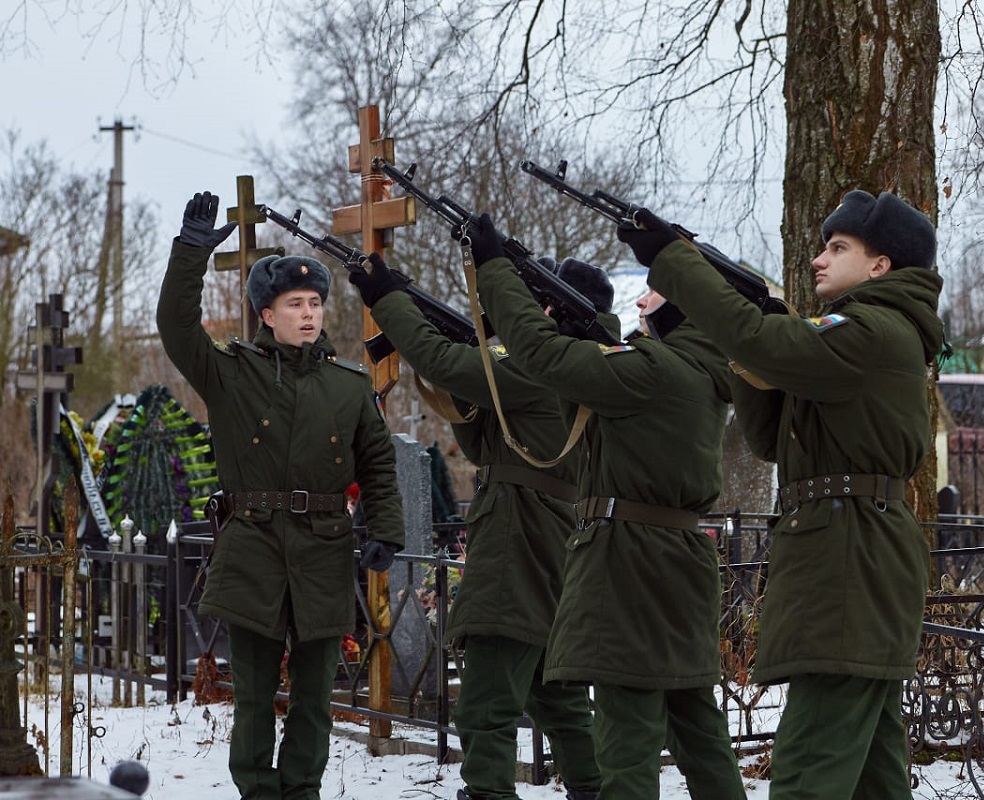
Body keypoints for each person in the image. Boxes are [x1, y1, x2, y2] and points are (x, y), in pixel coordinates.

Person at [617, 190, 944, 799]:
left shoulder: (872, 329)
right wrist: (747, 328)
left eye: (838, 247)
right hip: (849, 552)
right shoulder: (855, 335)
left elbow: (771, 346)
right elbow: (770, 434)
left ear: (881, 265)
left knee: (806, 771)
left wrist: (680, 266)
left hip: (852, 557)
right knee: (872, 774)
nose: (820, 259)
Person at [456, 214, 748, 800]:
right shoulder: (696, 371)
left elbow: (538, 354)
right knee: (696, 725)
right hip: (679, 562)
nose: (642, 301)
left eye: (659, 289)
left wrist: (493, 269)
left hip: (631, 564)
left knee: (627, 738)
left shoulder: (655, 370)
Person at [157, 191, 406, 800]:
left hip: (323, 550)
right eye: (294, 303)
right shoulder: (230, 372)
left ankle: (302, 791)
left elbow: (376, 459)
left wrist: (385, 528)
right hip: (255, 548)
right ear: (266, 314)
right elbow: (176, 327)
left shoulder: (348, 385)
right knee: (253, 694)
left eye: (315, 302)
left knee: (317, 697)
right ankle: (258, 792)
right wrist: (191, 253)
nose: (308, 314)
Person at [346, 251, 610, 800]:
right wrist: (475, 337)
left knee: (487, 697)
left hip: (518, 539)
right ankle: (595, 790)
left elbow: (446, 366)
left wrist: (389, 300)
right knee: (554, 696)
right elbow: (481, 436)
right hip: (547, 537)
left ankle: (489, 792)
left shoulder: (544, 363)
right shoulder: (585, 364)